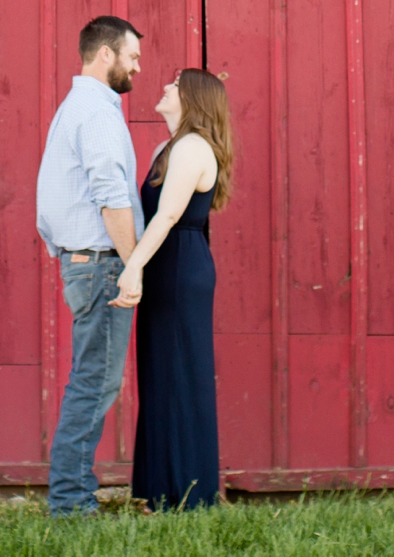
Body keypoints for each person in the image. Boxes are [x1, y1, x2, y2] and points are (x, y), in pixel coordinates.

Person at [33, 15, 144, 517]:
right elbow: (110, 194)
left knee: (91, 378)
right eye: (132, 56)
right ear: (106, 54)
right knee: (95, 382)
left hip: (85, 262)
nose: (136, 68)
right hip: (102, 264)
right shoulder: (98, 112)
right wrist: (132, 263)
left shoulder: (72, 108)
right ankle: (72, 504)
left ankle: (71, 497)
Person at [120, 66, 232, 512]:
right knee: (162, 376)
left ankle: (190, 495)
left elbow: (166, 217)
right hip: (165, 266)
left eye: (175, 84)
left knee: (182, 377)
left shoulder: (191, 148)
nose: (165, 87)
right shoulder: (167, 147)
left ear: (192, 99)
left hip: (181, 267)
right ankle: (161, 490)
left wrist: (132, 268)